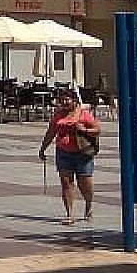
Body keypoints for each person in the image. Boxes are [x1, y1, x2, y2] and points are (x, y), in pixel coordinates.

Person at [38, 87, 101, 226]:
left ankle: (88, 204)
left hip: (82, 153)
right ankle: (69, 214)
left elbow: (97, 129)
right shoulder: (58, 115)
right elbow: (51, 132)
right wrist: (43, 148)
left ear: (75, 100)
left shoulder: (83, 113)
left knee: (85, 184)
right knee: (66, 183)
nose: (64, 102)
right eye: (62, 100)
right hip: (63, 152)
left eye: (67, 99)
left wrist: (83, 129)